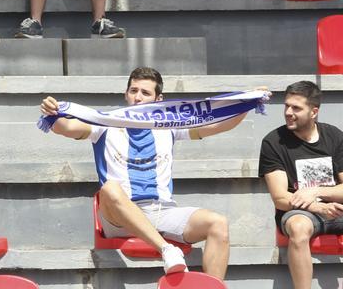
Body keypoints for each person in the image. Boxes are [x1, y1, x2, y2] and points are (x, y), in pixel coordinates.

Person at [40, 67, 238, 278]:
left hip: (161, 211)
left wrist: (250, 102)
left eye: (145, 93)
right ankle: (167, 250)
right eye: (133, 91)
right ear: (126, 94)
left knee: (218, 223)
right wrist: (51, 110)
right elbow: (66, 128)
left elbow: (220, 125)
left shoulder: (169, 126)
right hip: (118, 217)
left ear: (158, 98)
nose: (138, 97)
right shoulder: (105, 123)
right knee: (109, 188)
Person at [259, 81, 343, 289]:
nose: (288, 112)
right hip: (298, 211)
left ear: (314, 111)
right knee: (298, 227)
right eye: (286, 106)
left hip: (336, 208)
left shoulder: (334, 136)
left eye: (296, 108)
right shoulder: (273, 142)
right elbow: (280, 198)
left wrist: (316, 191)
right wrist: (316, 206)